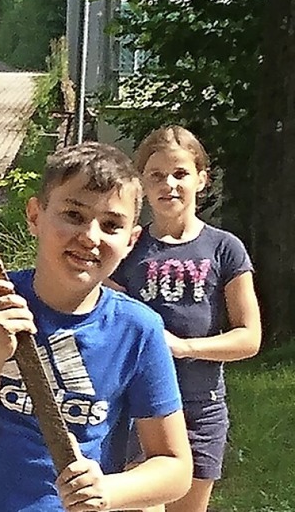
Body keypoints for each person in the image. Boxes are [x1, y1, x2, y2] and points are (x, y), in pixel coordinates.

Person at [0, 142, 192, 511]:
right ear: (35, 215)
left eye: (111, 225)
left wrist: (110, 491)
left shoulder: (137, 330)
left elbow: (174, 467)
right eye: (74, 215)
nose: (91, 237)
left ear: (131, 241)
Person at [108, 125, 262, 512]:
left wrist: (182, 347)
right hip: (134, 408)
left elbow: (249, 338)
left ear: (201, 179)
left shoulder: (225, 248)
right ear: (142, 183)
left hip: (200, 408)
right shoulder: (126, 247)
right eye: (157, 175)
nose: (169, 184)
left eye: (180, 174)